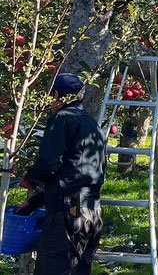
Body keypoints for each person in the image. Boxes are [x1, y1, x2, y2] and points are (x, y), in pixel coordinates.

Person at [21, 73, 106, 275]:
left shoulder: (61, 119)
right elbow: (77, 172)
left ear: (57, 95)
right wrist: (34, 202)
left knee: (54, 268)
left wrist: (31, 177)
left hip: (70, 212)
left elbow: (49, 164)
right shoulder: (92, 124)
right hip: (91, 212)